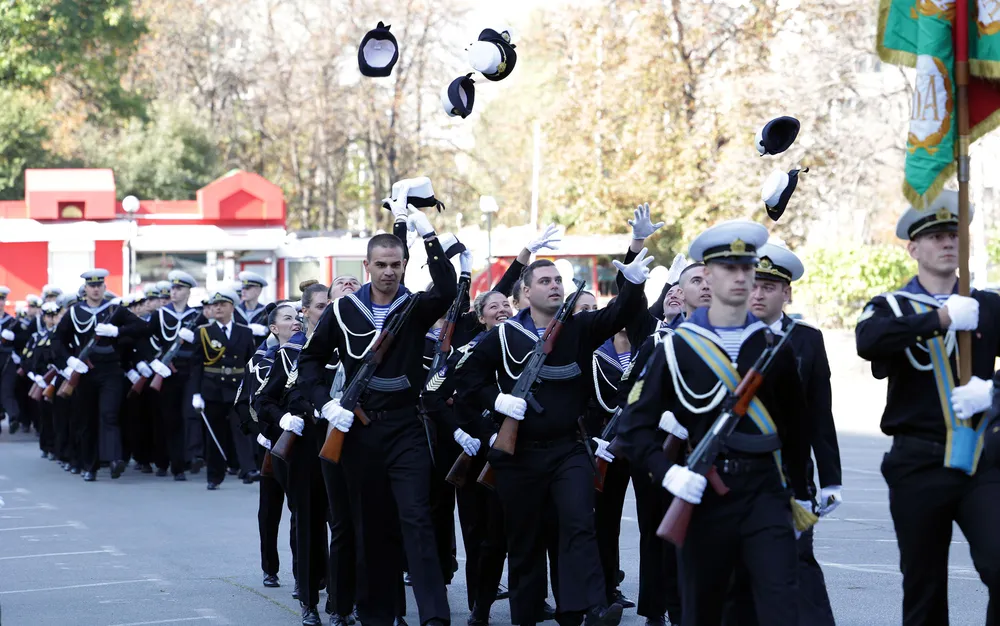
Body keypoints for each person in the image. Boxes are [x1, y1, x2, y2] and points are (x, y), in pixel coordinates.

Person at [617, 220, 811, 626]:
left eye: (747, 268)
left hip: (766, 493)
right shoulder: (678, 348)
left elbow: (795, 428)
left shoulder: (775, 346)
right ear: (708, 275)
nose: (741, 277)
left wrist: (802, 494)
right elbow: (633, 429)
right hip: (705, 493)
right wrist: (668, 475)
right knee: (704, 610)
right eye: (729, 268)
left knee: (779, 607)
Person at [455, 243, 654, 626]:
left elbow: (621, 313)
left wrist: (631, 276)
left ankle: (592, 606)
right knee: (525, 542)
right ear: (525, 292)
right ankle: (526, 615)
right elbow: (465, 384)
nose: (555, 286)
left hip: (568, 450)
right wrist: (497, 406)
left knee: (579, 524)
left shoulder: (578, 329)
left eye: (558, 281)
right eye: (545, 281)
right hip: (519, 456)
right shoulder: (502, 336)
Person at [297, 208, 455, 626]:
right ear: (366, 266)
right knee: (369, 526)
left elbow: (447, 289)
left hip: (406, 426)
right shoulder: (343, 309)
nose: (389, 272)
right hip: (361, 428)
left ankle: (435, 616)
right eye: (381, 265)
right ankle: (376, 615)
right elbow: (309, 364)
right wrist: (325, 404)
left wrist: (429, 234)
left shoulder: (415, 306)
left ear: (405, 265)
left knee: (417, 518)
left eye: (396, 265)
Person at [855, 191, 1000, 626]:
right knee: (924, 587)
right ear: (914, 249)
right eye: (936, 236)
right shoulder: (891, 307)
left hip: (983, 459)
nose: (947, 243)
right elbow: (869, 342)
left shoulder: (989, 305)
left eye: (955, 235)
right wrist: (937, 319)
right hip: (918, 460)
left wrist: (993, 392)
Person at [724, 242, 841, 626]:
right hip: (733, 471)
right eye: (754, 285)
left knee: (798, 564)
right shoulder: (723, 334)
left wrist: (830, 480)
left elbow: (820, 413)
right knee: (734, 571)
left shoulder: (807, 339)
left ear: (786, 293)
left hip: (791, 475)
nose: (758, 294)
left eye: (769, 287)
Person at [255, 302, 328, 626]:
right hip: (306, 448)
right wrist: (282, 420)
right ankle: (309, 599)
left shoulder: (354, 351)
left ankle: (345, 601)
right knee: (308, 523)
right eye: (324, 306)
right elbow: (262, 400)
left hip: (351, 446)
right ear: (308, 314)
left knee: (350, 526)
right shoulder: (289, 356)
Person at [52, 269, 149, 481]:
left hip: (111, 370)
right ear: (85, 289)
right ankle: (90, 466)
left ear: (105, 288)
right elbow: (57, 340)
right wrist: (69, 361)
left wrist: (118, 332)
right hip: (85, 371)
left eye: (99, 285)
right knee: (87, 420)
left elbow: (143, 327)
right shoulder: (75, 312)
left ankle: (114, 459)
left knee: (110, 414)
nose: (95, 289)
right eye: (91, 286)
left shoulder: (115, 310)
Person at [140, 271, 207, 480]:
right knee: (166, 419)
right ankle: (162, 462)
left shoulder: (197, 316)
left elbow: (205, 345)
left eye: (179, 289)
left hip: (189, 371)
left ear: (188, 292)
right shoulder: (160, 314)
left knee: (186, 416)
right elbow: (143, 340)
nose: (174, 292)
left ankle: (181, 464)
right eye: (173, 288)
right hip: (166, 371)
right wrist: (154, 362)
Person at [189, 287, 256, 490]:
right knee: (215, 434)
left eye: (223, 304)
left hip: (237, 387)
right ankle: (214, 476)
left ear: (232, 308)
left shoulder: (245, 332)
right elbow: (196, 365)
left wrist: (252, 390)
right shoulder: (203, 332)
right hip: (213, 388)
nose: (218, 308)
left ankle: (248, 469)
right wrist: (196, 393)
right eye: (215, 305)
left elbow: (250, 364)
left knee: (243, 430)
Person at [237, 271, 271, 336]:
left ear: (258, 291)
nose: (243, 291)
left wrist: (266, 330)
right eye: (242, 288)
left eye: (247, 288)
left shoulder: (265, 312)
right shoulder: (235, 311)